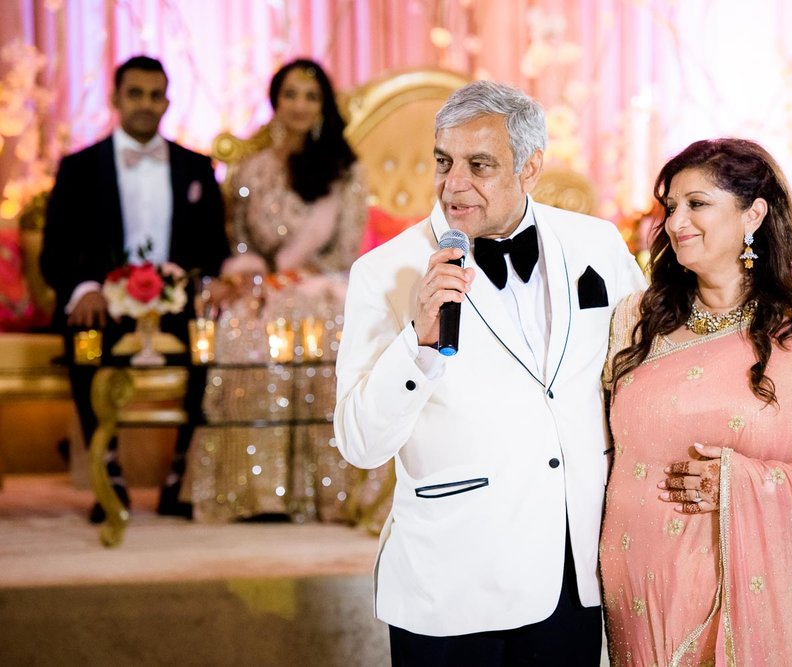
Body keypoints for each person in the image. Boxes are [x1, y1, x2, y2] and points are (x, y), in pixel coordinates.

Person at [333, 80, 647, 666]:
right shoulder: (383, 272)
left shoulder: (596, 244)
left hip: (571, 575)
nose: (455, 184)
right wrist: (418, 345)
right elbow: (359, 442)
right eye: (445, 163)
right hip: (451, 583)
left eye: (480, 165)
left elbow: (655, 360)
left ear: (530, 169)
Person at [601, 138, 792, 665]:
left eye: (697, 203)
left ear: (753, 214)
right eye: (670, 207)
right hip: (641, 575)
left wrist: (743, 484)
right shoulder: (634, 320)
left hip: (744, 572)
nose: (676, 222)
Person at [40, 55, 229, 522]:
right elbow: (54, 251)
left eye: (155, 94)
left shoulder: (196, 167)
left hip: (178, 302)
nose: (146, 104)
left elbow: (215, 248)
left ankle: (180, 475)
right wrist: (83, 289)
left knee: (212, 341)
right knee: (84, 343)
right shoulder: (78, 167)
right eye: (135, 94)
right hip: (104, 304)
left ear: (167, 100)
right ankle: (109, 475)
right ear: (116, 99)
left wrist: (204, 284)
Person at [187, 58, 373, 523]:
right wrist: (254, 275)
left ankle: (325, 494)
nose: (300, 105)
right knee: (240, 327)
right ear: (275, 101)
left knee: (318, 322)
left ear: (324, 106)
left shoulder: (344, 171)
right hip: (262, 285)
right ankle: (256, 491)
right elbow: (240, 243)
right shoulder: (250, 171)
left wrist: (297, 276)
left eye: (311, 96)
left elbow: (346, 248)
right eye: (291, 94)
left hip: (323, 284)